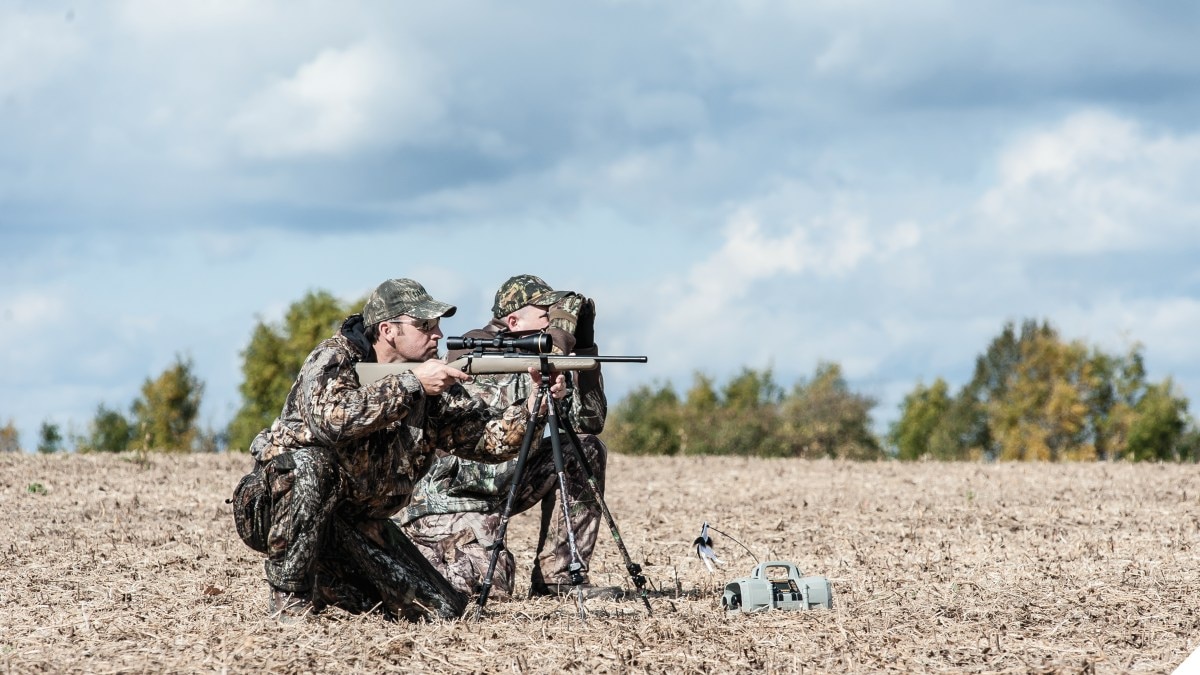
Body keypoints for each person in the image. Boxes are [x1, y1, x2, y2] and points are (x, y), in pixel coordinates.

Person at [229, 278, 565, 623]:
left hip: (355, 523)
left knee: (442, 610)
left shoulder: (433, 386)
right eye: (424, 326)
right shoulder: (334, 358)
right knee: (310, 465)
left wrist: (533, 409)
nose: (437, 335)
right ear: (388, 329)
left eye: (437, 325)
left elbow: (487, 441)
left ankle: (328, 581)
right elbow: (331, 421)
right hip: (276, 509)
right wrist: (410, 384)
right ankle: (290, 596)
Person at [398, 274, 619, 600]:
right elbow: (486, 467)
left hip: (500, 487)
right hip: (453, 499)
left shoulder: (541, 359)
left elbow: (591, 421)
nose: (552, 325)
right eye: (546, 316)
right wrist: (537, 406)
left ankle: (559, 578)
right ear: (513, 321)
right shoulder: (479, 363)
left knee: (585, 449)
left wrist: (584, 347)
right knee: (492, 588)